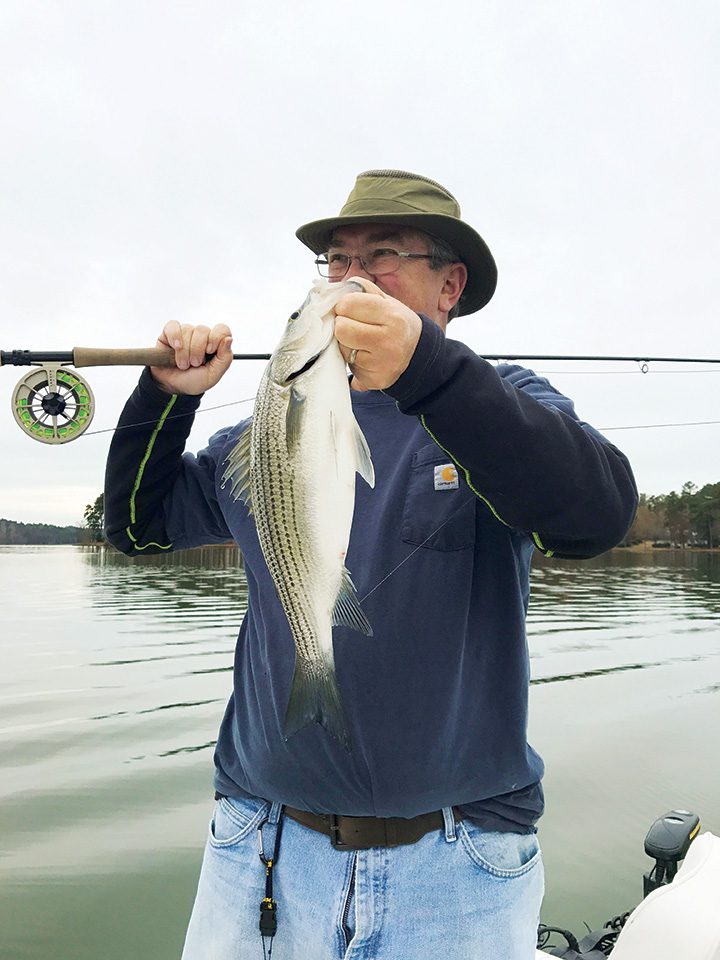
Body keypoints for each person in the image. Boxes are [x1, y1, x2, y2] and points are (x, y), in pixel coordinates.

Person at [104, 169, 638, 960]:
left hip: (455, 867)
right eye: (334, 259)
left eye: (383, 252)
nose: (351, 274)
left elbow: (595, 517)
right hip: (259, 850)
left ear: (447, 285)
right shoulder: (263, 427)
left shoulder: (501, 406)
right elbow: (135, 530)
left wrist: (429, 374)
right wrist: (165, 400)